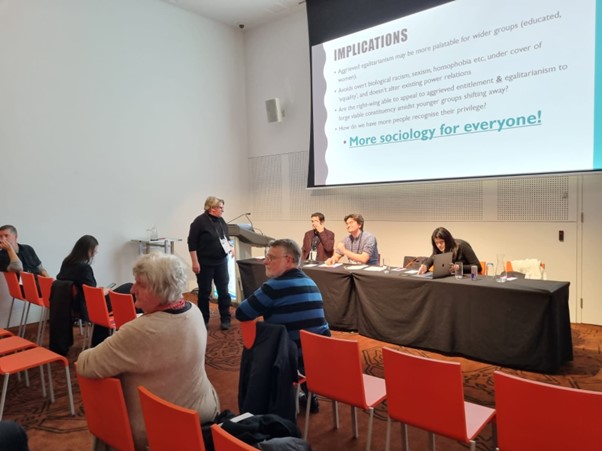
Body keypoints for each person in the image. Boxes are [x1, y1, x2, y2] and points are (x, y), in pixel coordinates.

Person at [77, 253, 220, 451]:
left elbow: (85, 364)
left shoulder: (140, 331)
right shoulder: (193, 310)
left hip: (159, 428)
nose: (132, 289)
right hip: (205, 410)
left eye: (140, 284)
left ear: (159, 289)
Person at [235, 238, 330, 413]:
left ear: (288, 260)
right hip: (320, 361)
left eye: (271, 258)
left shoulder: (274, 287)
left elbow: (242, 313)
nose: (265, 262)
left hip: (289, 363)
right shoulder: (312, 283)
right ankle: (309, 393)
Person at [187, 196, 232, 330]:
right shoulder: (199, 222)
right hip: (205, 263)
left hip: (221, 262)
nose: (222, 210)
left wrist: (231, 247)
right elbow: (192, 243)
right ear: (212, 208)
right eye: (221, 208)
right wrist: (195, 262)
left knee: (224, 291)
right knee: (204, 292)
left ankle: (225, 318)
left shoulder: (221, 220)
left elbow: (225, 237)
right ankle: (204, 319)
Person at [417, 227, 481, 275]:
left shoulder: (462, 245)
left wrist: (459, 267)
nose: (439, 245)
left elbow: (478, 267)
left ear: (448, 240)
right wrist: (425, 266)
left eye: (441, 242)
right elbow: (430, 260)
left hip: (464, 279)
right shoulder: (438, 249)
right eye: (436, 243)